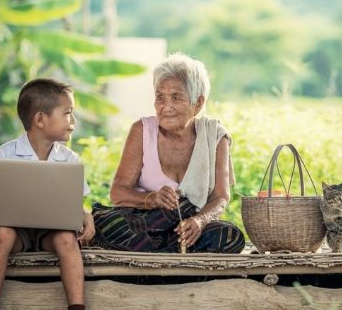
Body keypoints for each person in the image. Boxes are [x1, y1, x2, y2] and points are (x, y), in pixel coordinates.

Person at [0, 78, 102, 310]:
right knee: (2, 232)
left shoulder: (69, 160)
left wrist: (85, 214)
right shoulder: (5, 154)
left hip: (51, 232)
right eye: (68, 113)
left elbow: (76, 202)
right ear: (40, 119)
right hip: (17, 233)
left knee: (66, 239)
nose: (73, 120)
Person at [91, 53, 245, 253]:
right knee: (110, 224)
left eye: (176, 97)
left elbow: (221, 197)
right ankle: (174, 263)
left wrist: (199, 221)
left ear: (197, 103)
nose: (166, 106)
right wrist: (152, 199)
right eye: (160, 97)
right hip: (145, 224)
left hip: (186, 230)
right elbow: (118, 193)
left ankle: (152, 262)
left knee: (230, 236)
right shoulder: (142, 130)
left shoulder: (215, 136)